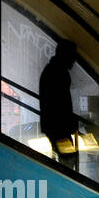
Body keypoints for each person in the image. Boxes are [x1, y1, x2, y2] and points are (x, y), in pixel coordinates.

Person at [37, 39, 79, 170]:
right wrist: (70, 121)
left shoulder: (51, 70)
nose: (74, 60)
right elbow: (61, 103)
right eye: (72, 56)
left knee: (65, 159)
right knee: (68, 161)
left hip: (53, 125)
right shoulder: (59, 72)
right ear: (65, 55)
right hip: (59, 126)